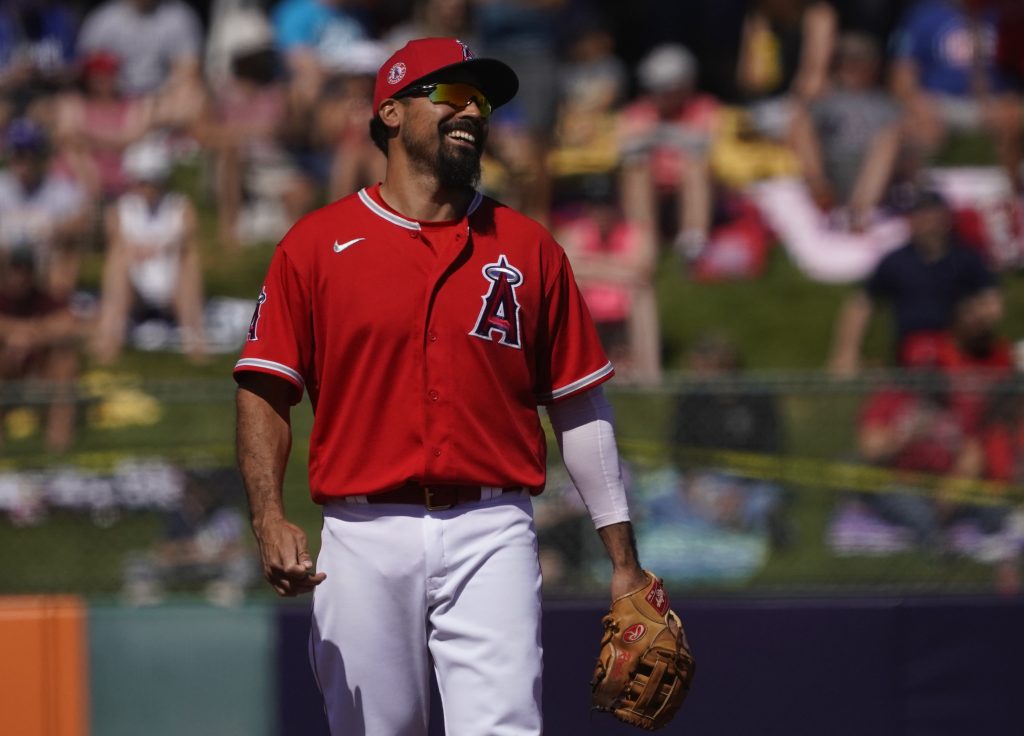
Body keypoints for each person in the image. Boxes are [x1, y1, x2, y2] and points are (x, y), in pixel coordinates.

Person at [234, 38, 648, 735]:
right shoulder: (315, 245)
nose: (474, 114)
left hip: (493, 526)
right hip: (364, 532)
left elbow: (578, 401)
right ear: (390, 113)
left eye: (482, 102)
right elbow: (264, 390)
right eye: (451, 96)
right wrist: (268, 517)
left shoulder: (528, 247)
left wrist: (626, 562)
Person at [828, 187, 1001, 375]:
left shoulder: (967, 258)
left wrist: (973, 317)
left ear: (946, 219)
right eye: (922, 216)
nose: (929, 223)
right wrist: (846, 353)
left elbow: (991, 302)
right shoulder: (895, 261)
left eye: (934, 216)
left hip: (958, 349)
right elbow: (861, 304)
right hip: (911, 353)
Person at [93, 136, 206, 363]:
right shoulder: (121, 209)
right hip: (135, 286)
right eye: (144, 181)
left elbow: (189, 235)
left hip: (172, 281)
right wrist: (139, 251)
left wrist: (158, 247)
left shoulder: (180, 205)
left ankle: (195, 338)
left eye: (154, 180)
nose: (149, 187)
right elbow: (116, 241)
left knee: (189, 258)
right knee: (118, 260)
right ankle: (109, 335)